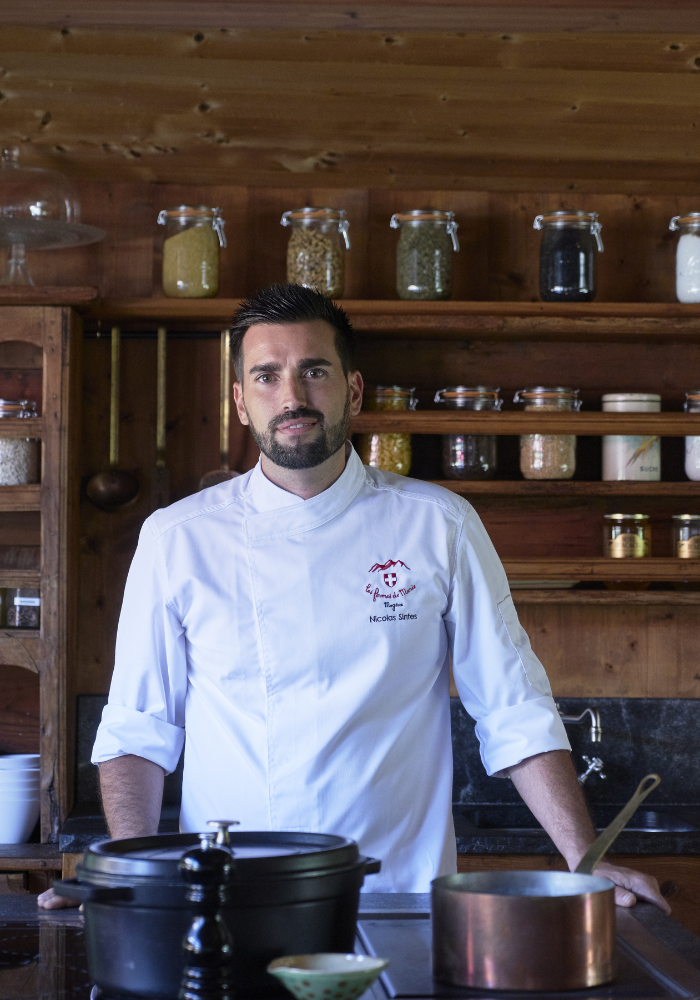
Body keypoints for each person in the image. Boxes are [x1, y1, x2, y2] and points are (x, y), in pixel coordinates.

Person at [40, 284, 668, 910]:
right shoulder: (177, 538)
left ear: (354, 389)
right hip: (230, 899)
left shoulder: (438, 524)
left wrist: (585, 860)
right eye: (266, 376)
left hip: (397, 896)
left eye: (314, 370)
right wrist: (129, 873)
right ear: (239, 402)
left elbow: (513, 707)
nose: (291, 397)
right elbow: (137, 731)